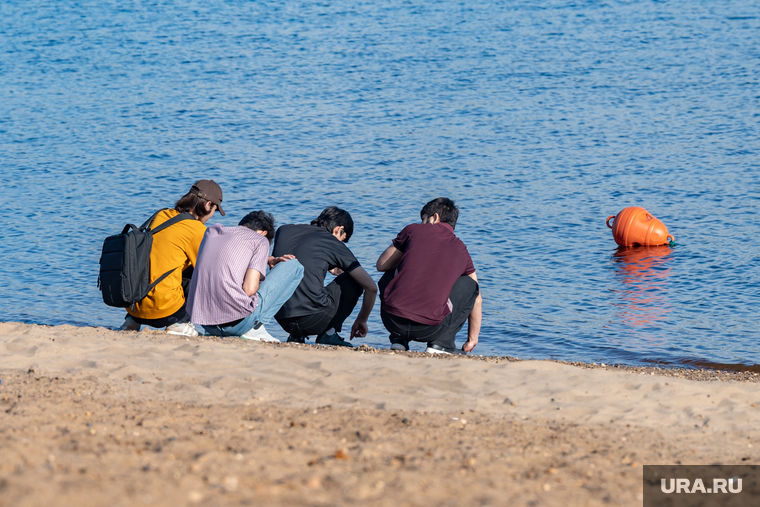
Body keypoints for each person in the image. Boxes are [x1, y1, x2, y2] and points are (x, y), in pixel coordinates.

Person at [375, 197, 482, 354]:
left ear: (435, 217)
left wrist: (407, 257)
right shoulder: (461, 249)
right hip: (430, 329)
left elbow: (381, 265)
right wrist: (472, 339)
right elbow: (477, 298)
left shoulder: (412, 230)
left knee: (392, 271)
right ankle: (441, 344)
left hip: (392, 322)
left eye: (423, 219)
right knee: (470, 285)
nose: (421, 223)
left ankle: (399, 340)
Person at [120, 180, 225, 337]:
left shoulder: (161, 215)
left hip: (134, 306)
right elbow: (210, 271)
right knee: (202, 271)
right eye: (214, 210)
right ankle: (179, 323)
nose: (211, 216)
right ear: (207, 205)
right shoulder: (196, 229)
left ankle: (131, 322)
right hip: (164, 313)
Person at [186, 211, 304, 342]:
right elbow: (249, 289)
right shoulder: (260, 240)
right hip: (238, 325)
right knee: (295, 266)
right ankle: (257, 327)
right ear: (264, 233)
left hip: (207, 324)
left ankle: (252, 326)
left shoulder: (212, 232)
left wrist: (268, 259)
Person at [272, 206, 378, 347]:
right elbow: (371, 287)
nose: (340, 244)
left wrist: (329, 265)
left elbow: (305, 257)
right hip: (313, 321)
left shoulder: (283, 231)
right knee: (355, 280)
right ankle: (329, 334)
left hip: (281, 318)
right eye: (342, 239)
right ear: (339, 230)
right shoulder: (332, 241)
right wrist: (362, 320)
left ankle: (296, 336)